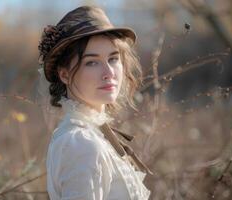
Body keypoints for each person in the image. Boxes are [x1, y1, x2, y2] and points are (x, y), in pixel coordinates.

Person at [38, 5, 151, 200]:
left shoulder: (89, 135)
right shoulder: (81, 143)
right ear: (64, 74)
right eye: (92, 62)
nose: (109, 73)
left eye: (113, 59)